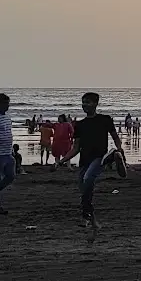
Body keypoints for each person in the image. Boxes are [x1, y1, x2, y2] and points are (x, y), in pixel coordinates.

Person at [55, 92, 126, 227]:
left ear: (95, 104)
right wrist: (62, 161)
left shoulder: (105, 119)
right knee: (85, 190)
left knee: (88, 179)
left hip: (99, 158)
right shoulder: (80, 125)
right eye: (83, 102)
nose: (84, 105)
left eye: (87, 102)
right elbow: (76, 148)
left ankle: (113, 156)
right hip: (84, 161)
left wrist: (119, 148)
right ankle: (91, 218)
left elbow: (115, 137)